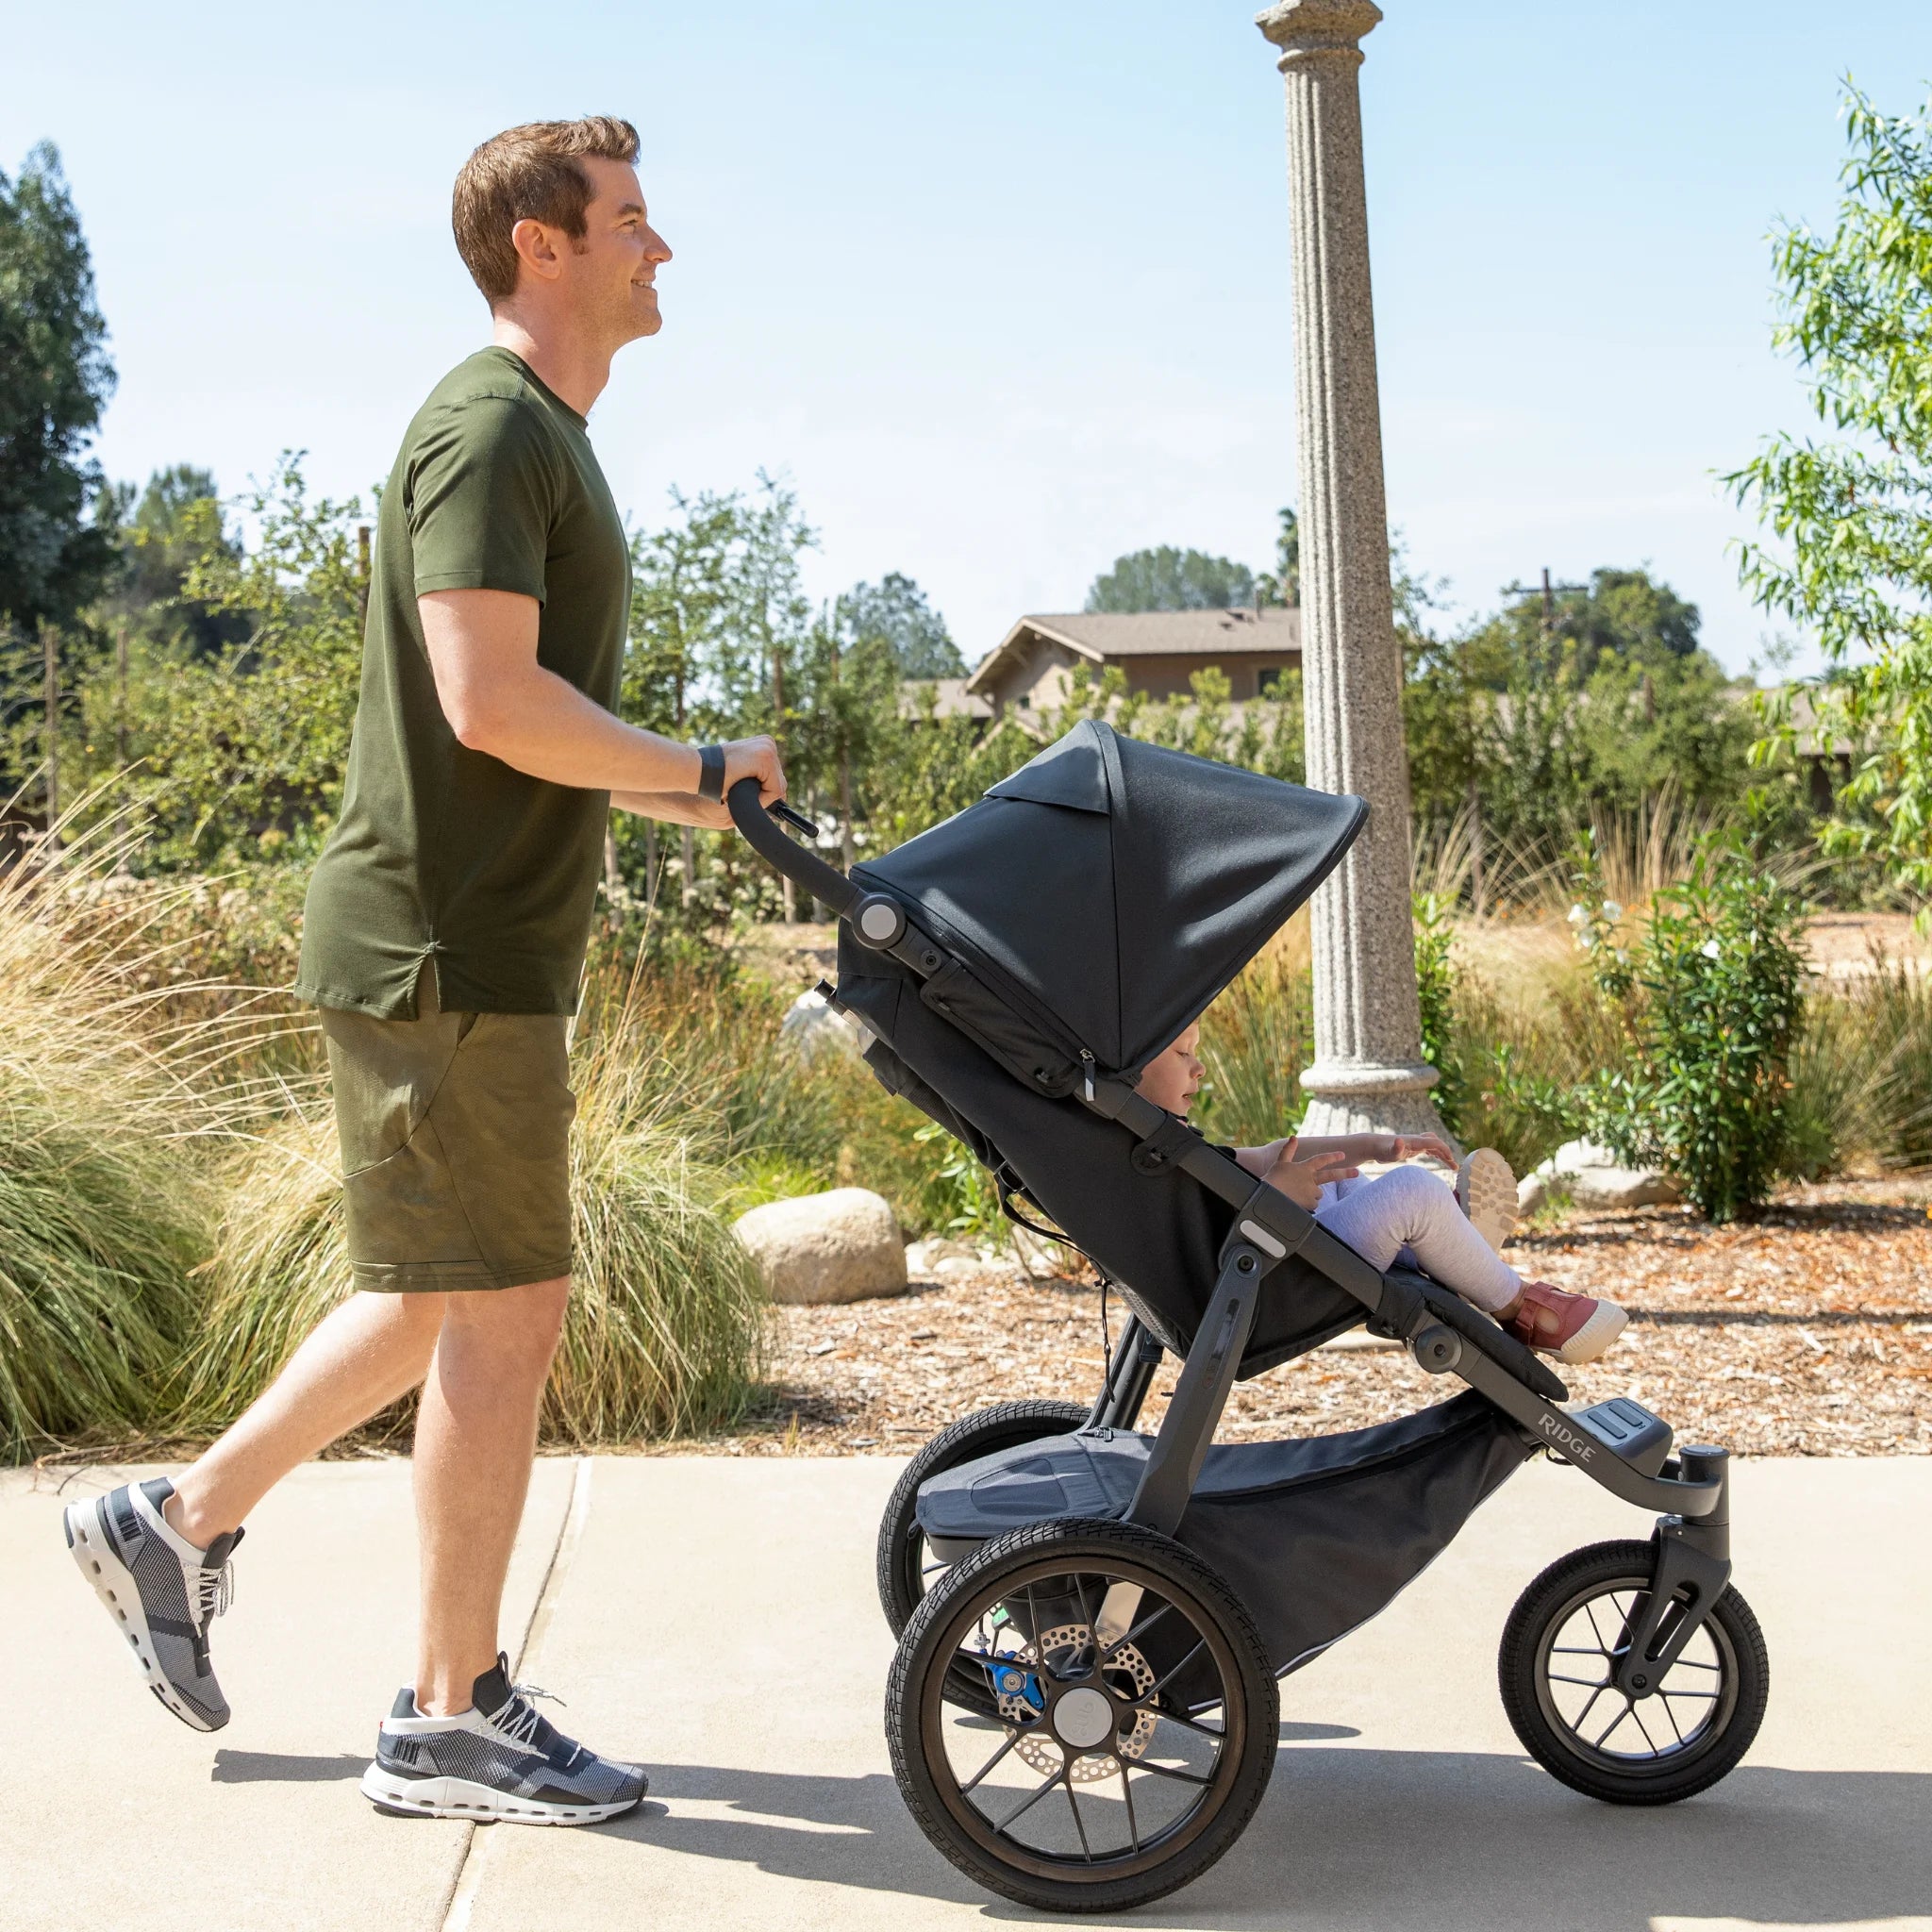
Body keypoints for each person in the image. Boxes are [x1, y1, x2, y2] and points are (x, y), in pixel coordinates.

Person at [62, 116, 781, 1827]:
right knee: (507, 1310)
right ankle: (449, 1714)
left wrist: (682, 776)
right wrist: (696, 765)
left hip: (468, 944)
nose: (657, 249)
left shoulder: (544, 436)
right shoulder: (487, 425)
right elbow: (491, 701)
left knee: (448, 1289)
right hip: (441, 943)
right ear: (540, 243)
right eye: (628, 219)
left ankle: (175, 1518)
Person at [1136, 1023, 1628, 1364]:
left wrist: (1375, 1146)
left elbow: (1268, 1154)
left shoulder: (1160, 1147)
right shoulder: (1150, 1164)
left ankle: (1441, 1240)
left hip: (1278, 1256)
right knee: (1412, 1192)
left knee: (1339, 1171)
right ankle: (1523, 1310)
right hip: (1272, 1284)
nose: (1199, 1068)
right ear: (1132, 1072)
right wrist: (1273, 1197)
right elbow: (1195, 1241)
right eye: (1183, 1054)